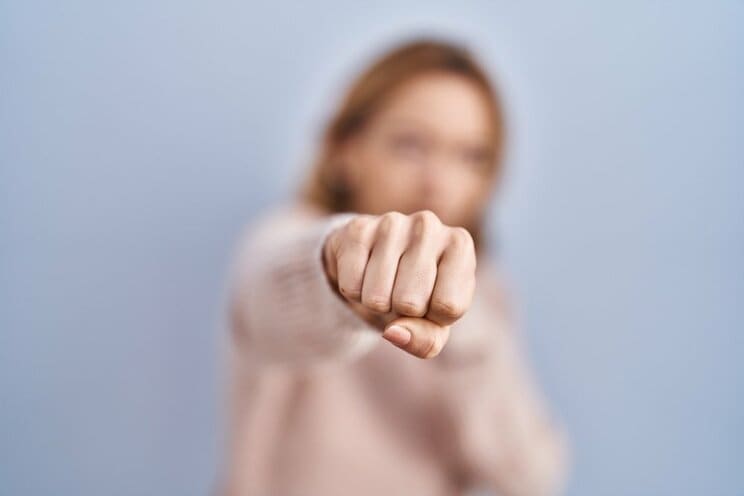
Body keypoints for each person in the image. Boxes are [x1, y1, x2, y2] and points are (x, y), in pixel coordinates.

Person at [221, 39, 569, 496]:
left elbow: (530, 475)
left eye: (471, 156)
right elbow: (270, 292)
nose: (437, 182)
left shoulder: (490, 292)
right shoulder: (284, 237)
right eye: (410, 144)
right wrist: (337, 268)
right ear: (345, 151)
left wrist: (463, 323)